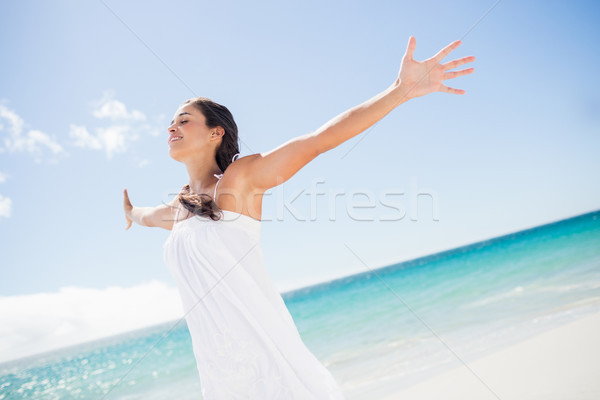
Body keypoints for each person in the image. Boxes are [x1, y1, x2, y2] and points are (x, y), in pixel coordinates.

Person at [122, 36, 475, 399]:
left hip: (272, 370)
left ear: (216, 132)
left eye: (183, 120)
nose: (171, 127)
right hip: (222, 380)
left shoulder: (238, 180)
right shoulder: (182, 210)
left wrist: (400, 90)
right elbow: (149, 216)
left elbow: (317, 141)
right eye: (170, 122)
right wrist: (132, 212)